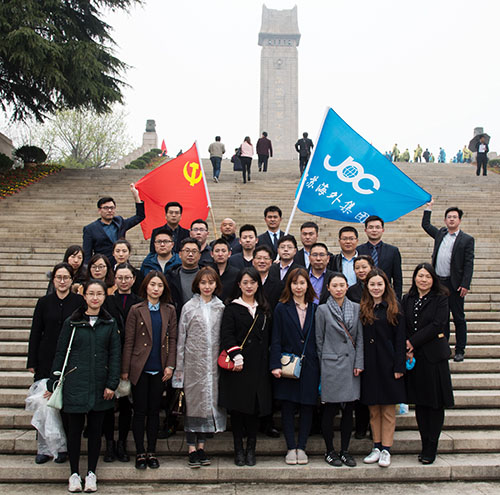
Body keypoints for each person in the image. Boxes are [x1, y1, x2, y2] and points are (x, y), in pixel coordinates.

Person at [47, 279, 121, 493]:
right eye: (91, 294)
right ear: (84, 296)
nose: (95, 298)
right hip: (75, 383)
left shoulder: (109, 323)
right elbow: (61, 352)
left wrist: (112, 383)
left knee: (96, 432)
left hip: (100, 383)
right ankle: (73, 473)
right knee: (74, 431)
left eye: (99, 294)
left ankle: (91, 473)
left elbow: (115, 355)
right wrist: (54, 379)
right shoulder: (72, 322)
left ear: (105, 296)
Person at [27, 262, 83, 464]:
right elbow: (36, 331)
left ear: (72, 280)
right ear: (53, 280)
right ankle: (44, 448)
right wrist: (32, 360)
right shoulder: (44, 302)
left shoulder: (78, 301)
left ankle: (63, 447)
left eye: (66, 277)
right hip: (46, 359)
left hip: (70, 359)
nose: (62, 281)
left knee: (64, 406)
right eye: (58, 277)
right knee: (44, 404)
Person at [122, 271, 177, 470]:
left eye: (160, 285)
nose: (156, 289)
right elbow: (129, 341)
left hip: (159, 367)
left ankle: (152, 451)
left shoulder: (169, 309)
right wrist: (125, 369)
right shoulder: (136, 309)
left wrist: (170, 365)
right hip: (139, 367)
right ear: (146, 286)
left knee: (154, 412)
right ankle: (140, 452)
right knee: (139, 411)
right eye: (152, 284)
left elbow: (173, 339)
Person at [172, 267, 226, 468]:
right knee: (193, 405)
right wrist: (179, 369)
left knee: (207, 405)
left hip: (213, 365)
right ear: (197, 285)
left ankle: (202, 446)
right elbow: (181, 339)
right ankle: (191, 448)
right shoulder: (189, 307)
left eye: (211, 282)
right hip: (193, 364)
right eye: (203, 283)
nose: (207, 286)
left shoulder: (220, 307)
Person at [218, 268, 272, 466]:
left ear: (258, 284)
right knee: (238, 410)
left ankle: (251, 449)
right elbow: (226, 335)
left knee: (254, 410)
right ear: (239, 285)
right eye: (245, 282)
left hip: (259, 366)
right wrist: (236, 356)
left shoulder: (264, 308)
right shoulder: (232, 308)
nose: (249, 286)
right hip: (238, 366)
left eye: (253, 282)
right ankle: (238, 450)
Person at [402, 263, 454, 464]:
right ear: (414, 278)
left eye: (427, 276)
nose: (423, 280)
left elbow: (437, 325)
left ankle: (432, 447)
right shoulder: (408, 299)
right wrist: (407, 345)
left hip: (434, 358)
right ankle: (424, 443)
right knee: (421, 404)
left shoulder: (441, 298)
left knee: (435, 404)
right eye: (420, 276)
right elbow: (404, 324)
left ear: (433, 279)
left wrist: (412, 342)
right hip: (416, 359)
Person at [270, 268, 319, 465]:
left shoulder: (315, 308)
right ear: (289, 285)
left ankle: (302, 447)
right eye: (294, 283)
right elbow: (275, 338)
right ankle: (291, 447)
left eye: (302, 283)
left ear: (308, 285)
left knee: (307, 406)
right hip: (288, 364)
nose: (298, 287)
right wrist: (275, 365)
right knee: (288, 407)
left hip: (310, 365)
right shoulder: (281, 308)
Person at [316, 273, 363, 468]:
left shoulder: (357, 308)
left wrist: (359, 363)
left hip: (351, 364)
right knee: (329, 410)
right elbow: (319, 340)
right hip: (331, 365)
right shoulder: (322, 310)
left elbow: (359, 338)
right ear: (328, 288)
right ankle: (329, 450)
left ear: (347, 287)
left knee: (349, 410)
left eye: (342, 285)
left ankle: (345, 450)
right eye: (334, 285)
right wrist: (323, 365)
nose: (338, 289)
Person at [360, 269, 406, 468]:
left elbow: (400, 339)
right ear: (367, 286)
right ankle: (376, 446)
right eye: (372, 284)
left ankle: (386, 448)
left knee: (387, 410)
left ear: (386, 286)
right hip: (370, 365)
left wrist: (399, 365)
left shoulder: (394, 308)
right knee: (373, 409)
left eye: (379, 284)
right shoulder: (363, 307)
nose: (376, 288)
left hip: (389, 364)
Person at [421, 200, 474, 362]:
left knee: (458, 317)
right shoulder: (440, 234)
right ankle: (443, 349)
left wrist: (465, 284)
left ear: (459, 220)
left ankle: (460, 350)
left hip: (455, 284)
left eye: (454, 217)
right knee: (441, 318)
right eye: (449, 217)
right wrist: (428, 208)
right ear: (445, 220)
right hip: (439, 283)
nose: (451, 219)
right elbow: (426, 225)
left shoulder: (466, 239)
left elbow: (469, 263)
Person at [102, 263, 142, 463]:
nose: (124, 281)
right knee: (108, 404)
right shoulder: (107, 301)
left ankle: (122, 443)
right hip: (110, 355)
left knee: (126, 404)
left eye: (127, 278)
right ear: (114, 279)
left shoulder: (140, 302)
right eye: (120, 278)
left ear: (134, 280)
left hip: (133, 357)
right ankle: (109, 443)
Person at [82, 184, 145, 264]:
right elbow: (87, 254)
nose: (109, 210)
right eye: (106, 208)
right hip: (103, 265)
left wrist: (136, 196)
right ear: (99, 210)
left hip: (122, 265)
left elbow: (140, 216)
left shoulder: (120, 222)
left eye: (112, 208)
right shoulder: (90, 229)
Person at [357, 215, 403, 299]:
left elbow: (397, 278)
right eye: (371, 227)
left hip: (386, 295)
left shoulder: (393, 251)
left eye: (377, 227)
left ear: (382, 230)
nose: (374, 230)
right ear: (365, 230)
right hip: (363, 295)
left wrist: (397, 299)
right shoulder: (358, 250)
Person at [165, 238, 202, 317]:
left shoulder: (206, 276)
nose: (190, 254)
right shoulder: (171, 276)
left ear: (199, 255)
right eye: (187, 251)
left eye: (194, 251)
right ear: (180, 254)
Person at [252, 245, 282, 312]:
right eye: (259, 258)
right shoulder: (246, 282)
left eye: (266, 258)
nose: (262, 261)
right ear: (253, 261)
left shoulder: (278, 284)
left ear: (271, 262)